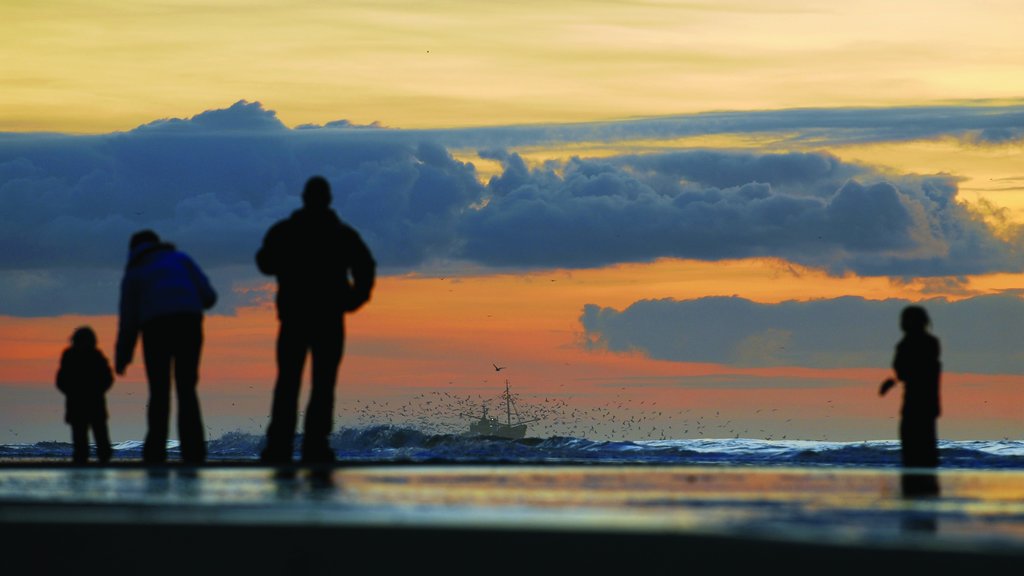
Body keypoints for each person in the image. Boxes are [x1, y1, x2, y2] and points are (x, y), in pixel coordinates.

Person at [257, 176, 376, 464]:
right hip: (326, 316)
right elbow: (365, 268)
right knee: (322, 383)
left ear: (305, 198)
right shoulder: (342, 234)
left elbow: (265, 262)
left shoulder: (286, 231)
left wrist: (290, 267)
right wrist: (352, 300)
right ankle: (315, 444)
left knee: (289, 382)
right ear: (327, 199)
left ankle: (280, 445)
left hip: (297, 315)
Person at [115, 230, 217, 464]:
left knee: (159, 391)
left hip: (155, 326)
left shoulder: (134, 273)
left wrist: (123, 355)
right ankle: (194, 452)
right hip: (188, 322)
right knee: (187, 389)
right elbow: (209, 297)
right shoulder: (181, 259)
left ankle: (155, 452)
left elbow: (128, 319)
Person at [879, 305, 942, 495]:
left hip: (916, 406)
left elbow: (909, 370)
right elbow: (916, 371)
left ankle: (915, 492)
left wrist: (895, 380)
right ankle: (924, 493)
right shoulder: (930, 343)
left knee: (914, 454)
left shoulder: (910, 344)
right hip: (927, 406)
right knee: (925, 454)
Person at [56, 326, 114, 464]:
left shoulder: (95, 356)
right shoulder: (72, 356)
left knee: (98, 435)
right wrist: (72, 392)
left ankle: (101, 458)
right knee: (82, 437)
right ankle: (87, 459)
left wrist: (96, 390)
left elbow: (107, 378)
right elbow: (62, 380)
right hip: (82, 402)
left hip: (89, 401)